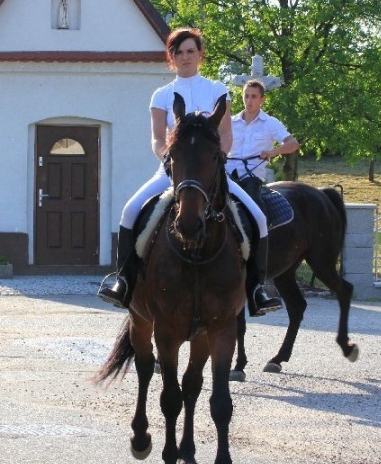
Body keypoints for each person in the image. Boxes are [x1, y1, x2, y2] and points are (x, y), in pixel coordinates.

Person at [97, 28, 282, 315]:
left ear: (200, 54)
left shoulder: (217, 90)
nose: (185, 57)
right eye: (179, 52)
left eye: (190, 51)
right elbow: (158, 137)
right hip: (172, 173)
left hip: (211, 174)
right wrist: (168, 159)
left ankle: (258, 289)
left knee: (256, 217)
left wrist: (218, 159)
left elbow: (226, 134)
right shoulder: (162, 94)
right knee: (130, 211)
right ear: (172, 57)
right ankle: (124, 280)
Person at [226, 79, 298, 316]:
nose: (249, 101)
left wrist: (273, 151)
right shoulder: (230, 122)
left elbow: (293, 144)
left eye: (254, 96)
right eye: (246, 96)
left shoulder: (270, 123)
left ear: (262, 99)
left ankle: (258, 284)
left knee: (258, 218)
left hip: (251, 180)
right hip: (226, 177)